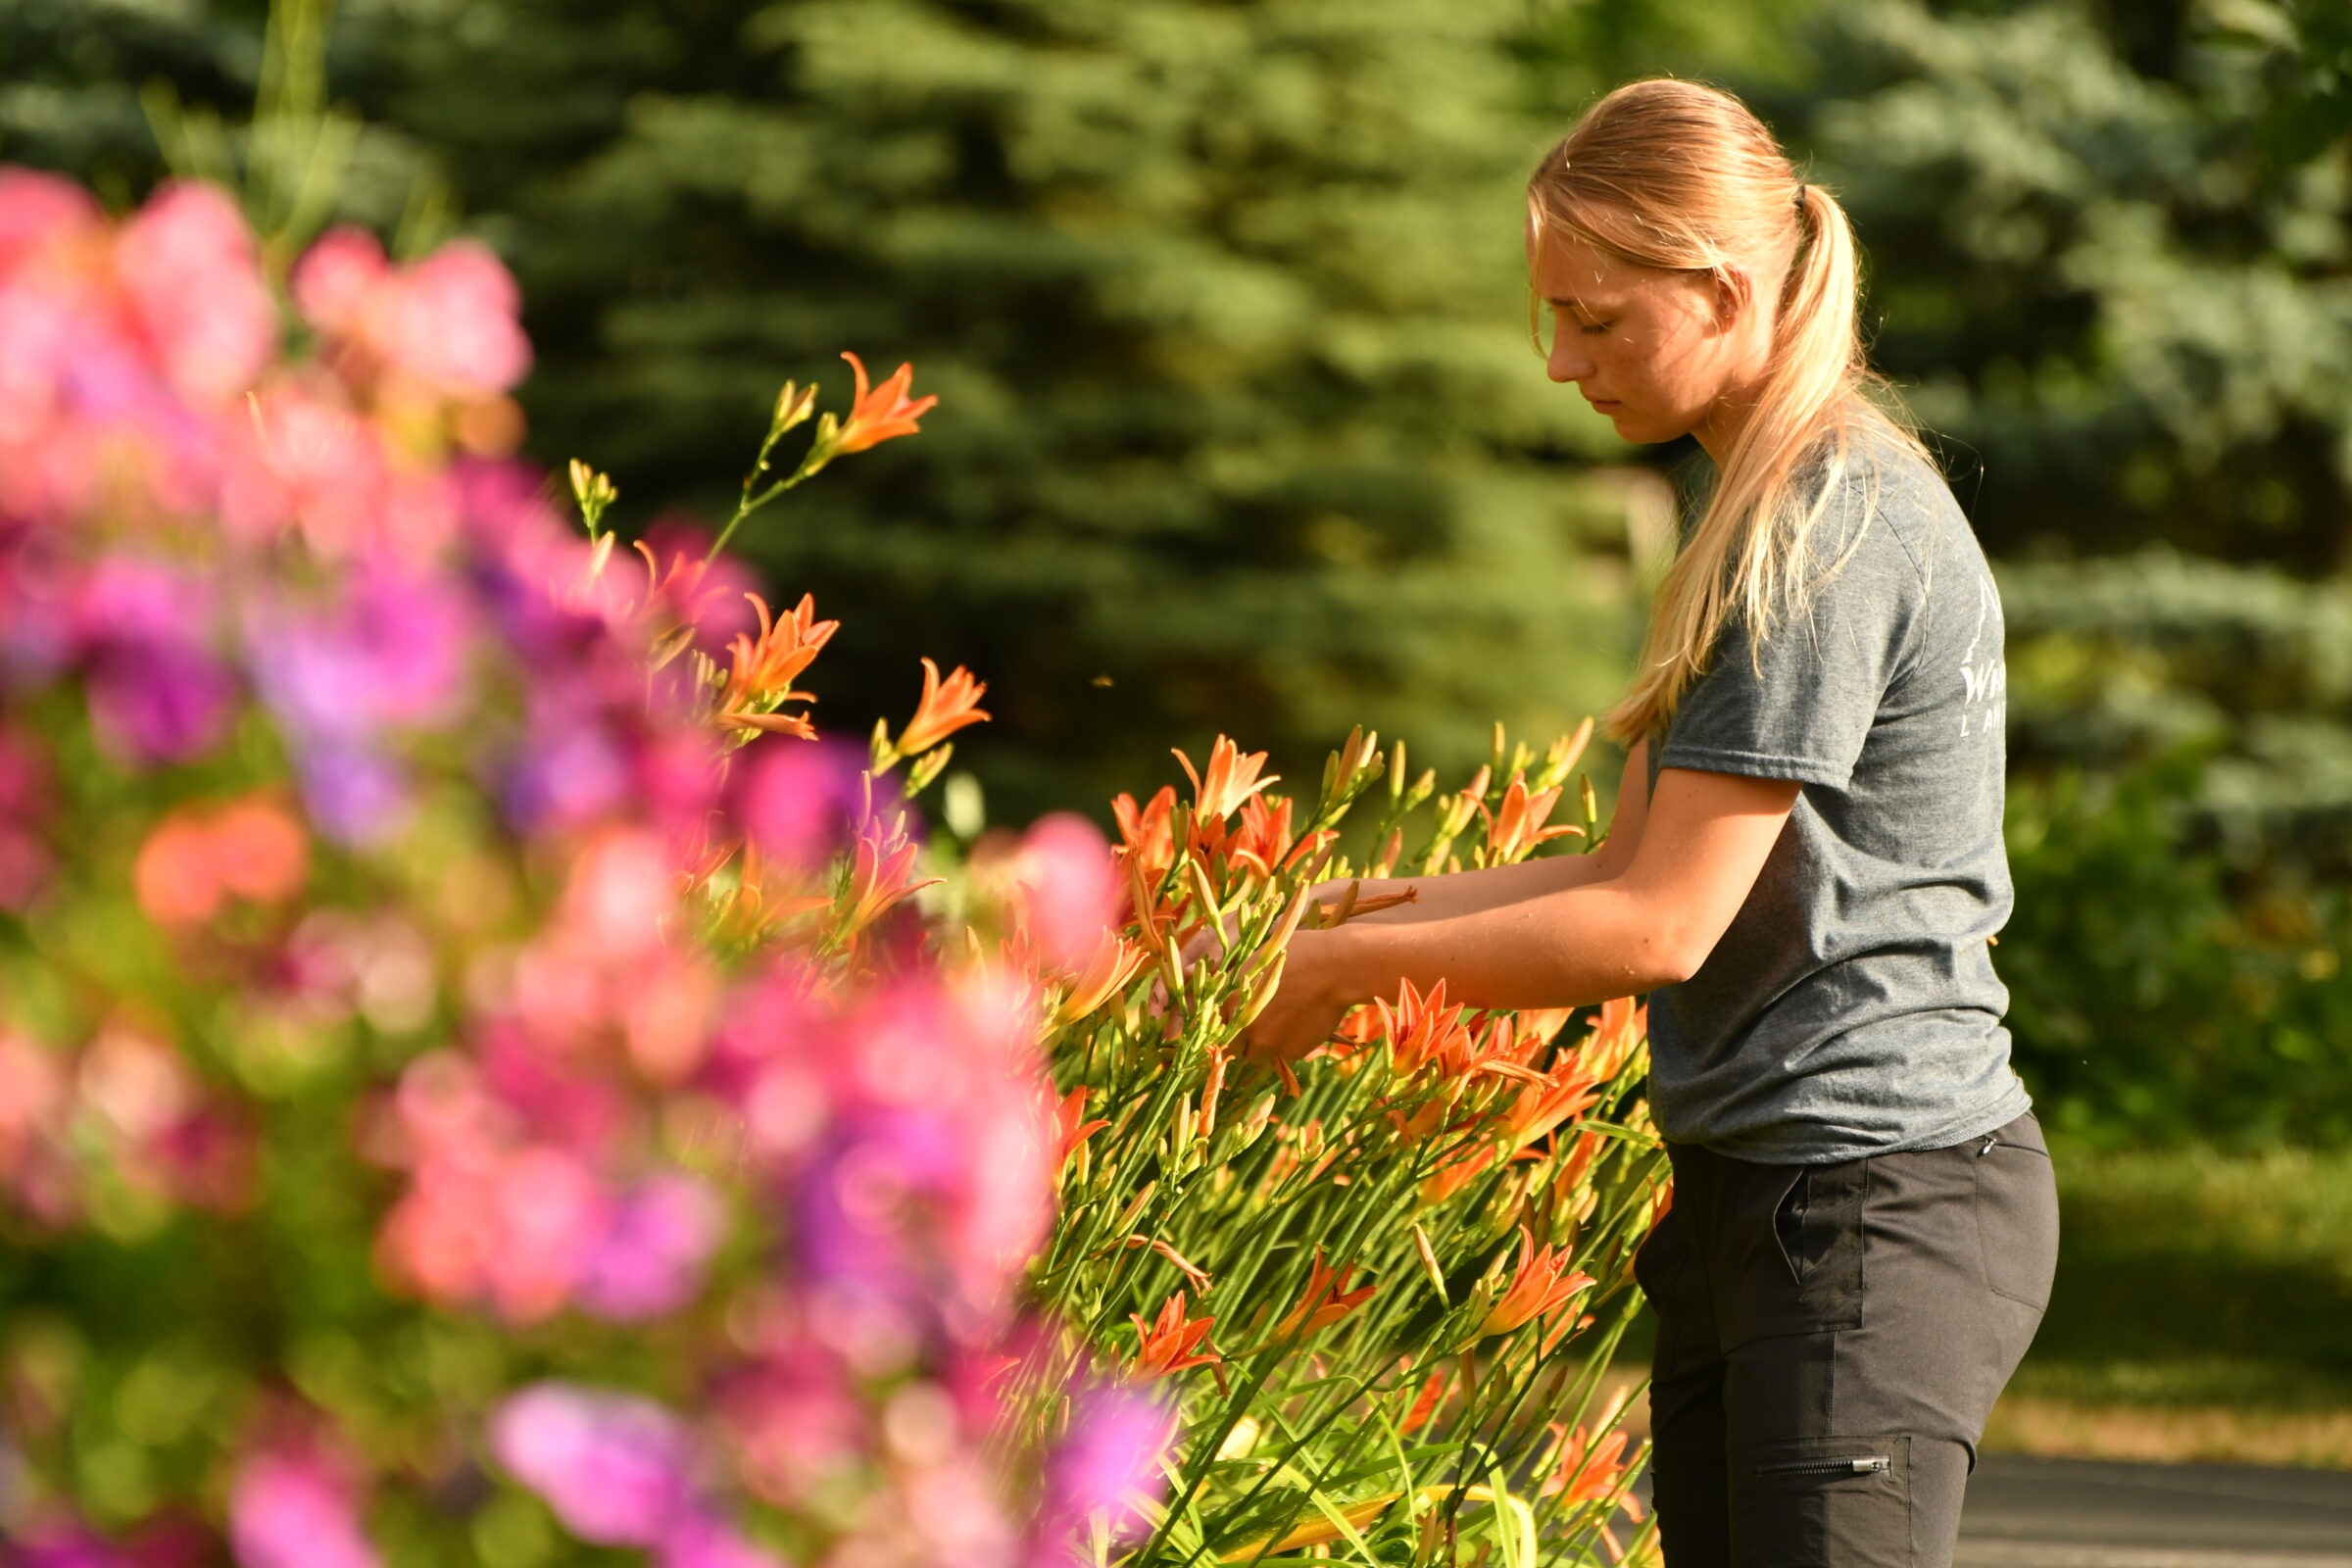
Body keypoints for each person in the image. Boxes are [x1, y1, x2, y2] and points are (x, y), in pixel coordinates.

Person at [1229, 78, 2061, 1567]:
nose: (1559, 360)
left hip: (1875, 1200)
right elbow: (1623, 865)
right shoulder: (1753, 495)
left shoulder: (1825, 523)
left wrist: (1339, 978)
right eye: (1552, 317)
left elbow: (1659, 929)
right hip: (1766, 1189)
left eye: (1598, 319)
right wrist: (1333, 918)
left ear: (1724, 290)